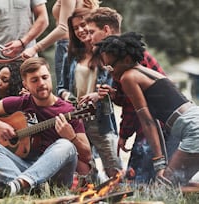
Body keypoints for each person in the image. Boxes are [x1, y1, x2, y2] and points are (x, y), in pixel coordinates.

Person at [0, 57, 92, 198]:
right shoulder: (21, 102)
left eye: (44, 77)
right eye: (34, 80)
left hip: (55, 177)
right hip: (26, 167)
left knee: (65, 145)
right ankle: (25, 188)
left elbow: (87, 155)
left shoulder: (68, 110)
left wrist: (72, 137)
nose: (41, 83)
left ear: (50, 77)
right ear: (25, 84)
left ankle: (17, 186)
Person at [96, 31, 199, 186]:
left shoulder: (128, 77)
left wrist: (159, 164)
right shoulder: (145, 72)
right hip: (194, 119)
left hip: (193, 129)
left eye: (110, 66)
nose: (109, 72)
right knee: (178, 184)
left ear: (127, 59)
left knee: (165, 186)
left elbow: (148, 122)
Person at [86, 7, 166, 183]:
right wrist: (113, 95)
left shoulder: (126, 55)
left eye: (92, 32)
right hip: (148, 125)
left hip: (159, 126)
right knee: (137, 180)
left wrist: (123, 135)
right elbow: (126, 98)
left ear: (106, 29)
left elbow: (133, 105)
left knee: (139, 182)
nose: (89, 37)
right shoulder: (117, 55)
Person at [57, 8, 122, 180]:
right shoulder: (69, 56)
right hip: (77, 118)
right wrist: (68, 97)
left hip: (101, 119)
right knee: (86, 170)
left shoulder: (107, 54)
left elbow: (113, 87)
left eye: (84, 25)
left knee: (114, 169)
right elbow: (60, 88)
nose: (80, 30)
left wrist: (97, 95)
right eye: (75, 27)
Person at [22, 0, 99, 90]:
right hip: (74, 44)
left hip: (67, 45)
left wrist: (35, 48)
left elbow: (63, 28)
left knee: (65, 88)